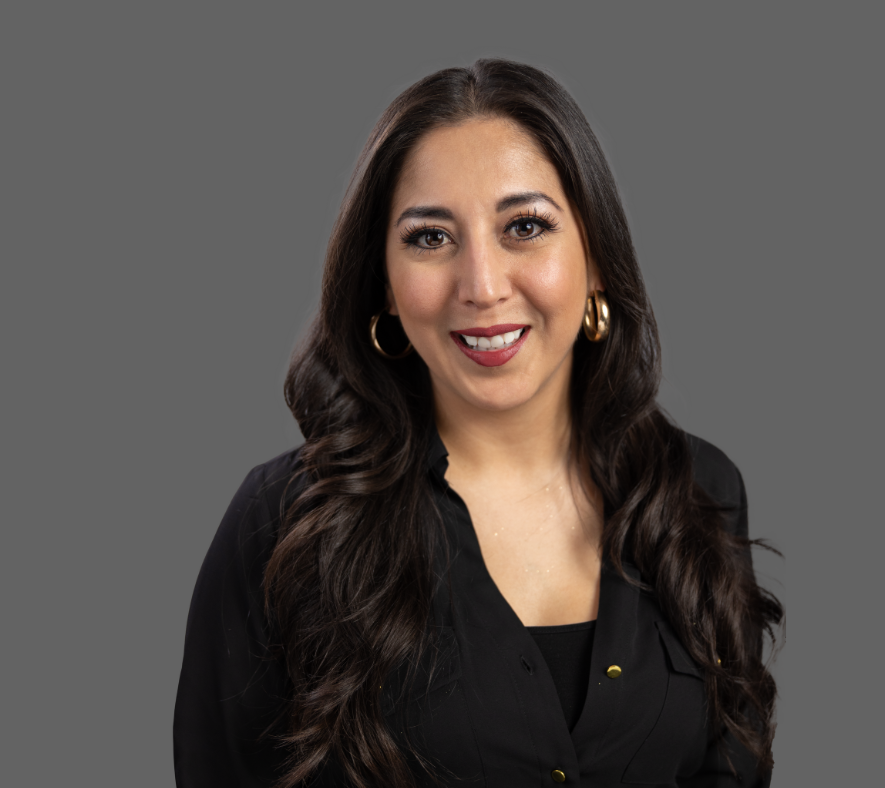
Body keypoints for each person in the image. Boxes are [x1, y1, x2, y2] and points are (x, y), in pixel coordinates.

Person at [174, 58, 783, 788]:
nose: (484, 286)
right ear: (385, 287)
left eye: (525, 226)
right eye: (431, 238)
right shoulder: (280, 525)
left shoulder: (698, 489)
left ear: (594, 259)